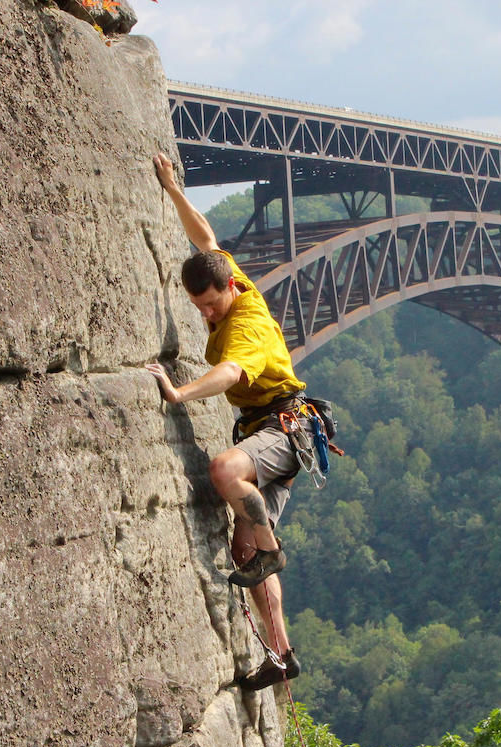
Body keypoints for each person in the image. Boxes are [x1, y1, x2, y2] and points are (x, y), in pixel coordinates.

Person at [146, 151, 306, 691]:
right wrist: (172, 190)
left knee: (223, 471)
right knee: (244, 547)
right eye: (200, 308)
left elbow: (231, 372)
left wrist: (177, 393)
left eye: (212, 305)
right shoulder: (225, 271)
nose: (208, 314)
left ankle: (269, 551)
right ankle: (281, 653)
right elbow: (206, 239)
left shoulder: (246, 324)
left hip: (285, 426)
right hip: (268, 427)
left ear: (231, 291)